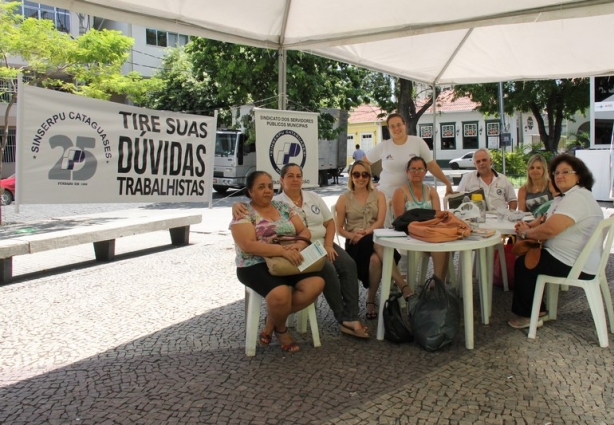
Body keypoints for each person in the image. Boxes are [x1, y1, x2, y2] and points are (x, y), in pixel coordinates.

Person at [232, 164, 369, 338]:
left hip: (312, 245)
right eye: (290, 176)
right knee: (327, 268)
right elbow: (248, 242)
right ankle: (342, 317)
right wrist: (236, 203)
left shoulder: (308, 199)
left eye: (298, 176)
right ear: (282, 180)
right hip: (289, 252)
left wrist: (323, 245)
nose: (295, 179)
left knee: (348, 264)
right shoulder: (275, 203)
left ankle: (352, 314)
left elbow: (326, 224)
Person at [230, 171, 325, 352]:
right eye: (261, 187)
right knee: (280, 294)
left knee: (316, 283)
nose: (267, 190)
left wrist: (296, 247)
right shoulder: (243, 212)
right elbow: (247, 245)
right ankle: (281, 330)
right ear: (250, 191)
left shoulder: (283, 207)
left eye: (269, 186)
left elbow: (304, 231)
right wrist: (282, 250)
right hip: (255, 264)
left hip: (289, 261)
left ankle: (271, 321)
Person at [508, 154, 603, 329]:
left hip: (575, 263)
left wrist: (526, 233)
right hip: (576, 258)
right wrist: (532, 225)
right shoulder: (569, 196)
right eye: (556, 173)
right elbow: (546, 220)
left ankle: (528, 315)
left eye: (566, 172)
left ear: (579, 176)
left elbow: (550, 230)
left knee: (523, 264)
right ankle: (539, 308)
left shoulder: (577, 198)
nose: (559, 176)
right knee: (529, 257)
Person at [335, 160, 408, 320]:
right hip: (355, 244)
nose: (360, 178)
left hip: (375, 238)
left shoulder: (379, 195)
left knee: (375, 259)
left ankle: (370, 300)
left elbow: (380, 222)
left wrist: (366, 232)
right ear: (351, 177)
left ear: (369, 176)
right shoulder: (344, 199)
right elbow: (339, 229)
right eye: (356, 174)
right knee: (376, 242)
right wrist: (353, 235)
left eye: (365, 174)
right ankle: (403, 286)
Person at [363, 113, 453, 209]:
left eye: (398, 125)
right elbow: (363, 163)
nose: (396, 128)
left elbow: (431, 165)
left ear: (404, 124)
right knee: (388, 223)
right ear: (389, 129)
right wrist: (369, 184)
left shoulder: (418, 142)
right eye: (392, 126)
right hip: (387, 195)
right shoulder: (383, 146)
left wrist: (447, 183)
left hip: (411, 197)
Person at [391, 157, 449, 281]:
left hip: (429, 234)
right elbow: (401, 220)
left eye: (420, 169)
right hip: (409, 235)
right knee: (437, 241)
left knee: (443, 245)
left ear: (425, 171)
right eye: (413, 169)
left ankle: (438, 282)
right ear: (407, 171)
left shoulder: (431, 191)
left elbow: (437, 217)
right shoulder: (400, 192)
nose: (416, 172)